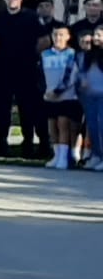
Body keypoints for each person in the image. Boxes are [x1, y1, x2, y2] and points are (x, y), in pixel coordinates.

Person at [0, 0, 49, 158]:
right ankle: (1, 143)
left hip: (26, 69)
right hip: (2, 69)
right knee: (1, 108)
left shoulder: (32, 17)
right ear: (5, 0)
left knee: (28, 108)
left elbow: (44, 40)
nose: (12, 0)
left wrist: (32, 56)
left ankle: (28, 143)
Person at [40, 23, 81, 169]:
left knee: (63, 125)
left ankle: (64, 157)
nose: (58, 38)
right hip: (49, 96)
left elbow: (72, 76)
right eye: (55, 35)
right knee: (52, 127)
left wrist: (58, 92)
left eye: (61, 35)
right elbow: (41, 76)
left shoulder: (72, 54)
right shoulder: (45, 54)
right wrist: (46, 91)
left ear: (68, 37)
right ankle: (56, 155)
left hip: (67, 96)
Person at [76, 28, 103, 171]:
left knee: (101, 126)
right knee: (92, 127)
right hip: (90, 95)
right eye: (95, 35)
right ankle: (96, 155)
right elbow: (83, 72)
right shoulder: (89, 54)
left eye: (99, 35)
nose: (95, 37)